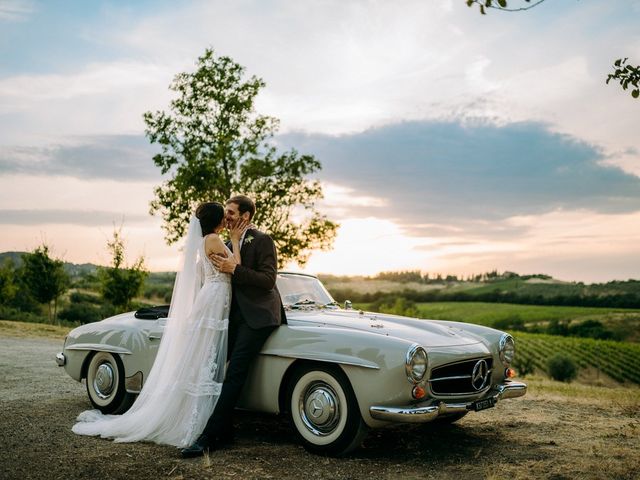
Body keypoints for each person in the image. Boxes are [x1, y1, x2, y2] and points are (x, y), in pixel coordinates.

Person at [72, 202, 248, 448]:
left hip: (214, 295)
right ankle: (198, 419)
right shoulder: (214, 240)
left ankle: (205, 416)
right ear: (218, 221)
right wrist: (236, 241)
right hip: (216, 297)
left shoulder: (203, 241)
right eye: (224, 216)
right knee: (206, 354)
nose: (226, 220)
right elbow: (236, 267)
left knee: (204, 354)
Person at [181, 195, 286, 458]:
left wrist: (234, 270)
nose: (226, 217)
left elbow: (268, 280)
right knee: (210, 367)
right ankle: (223, 428)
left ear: (245, 216)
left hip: (258, 316)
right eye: (225, 213)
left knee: (234, 372)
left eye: (230, 212)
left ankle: (210, 436)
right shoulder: (226, 242)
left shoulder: (263, 240)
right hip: (230, 317)